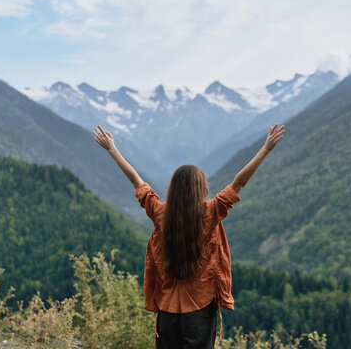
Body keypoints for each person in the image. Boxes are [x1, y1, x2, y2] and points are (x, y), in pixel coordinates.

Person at [93, 123, 285, 348]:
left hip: (166, 312)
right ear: (200, 188)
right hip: (199, 310)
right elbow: (239, 183)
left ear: (173, 188)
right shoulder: (211, 212)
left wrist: (112, 149)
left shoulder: (159, 213)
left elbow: (137, 181)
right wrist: (265, 150)